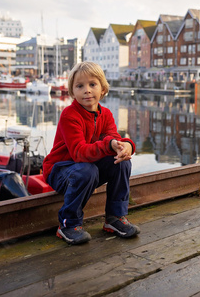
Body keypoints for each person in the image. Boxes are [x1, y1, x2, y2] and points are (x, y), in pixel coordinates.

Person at [42, 61, 140, 245]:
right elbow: (79, 152)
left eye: (92, 84)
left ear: (102, 89)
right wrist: (109, 144)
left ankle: (115, 218)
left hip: (85, 167)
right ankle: (68, 224)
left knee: (122, 162)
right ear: (72, 91)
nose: (87, 90)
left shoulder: (106, 114)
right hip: (60, 170)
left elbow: (114, 139)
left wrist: (126, 146)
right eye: (80, 86)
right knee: (87, 170)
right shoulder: (69, 115)